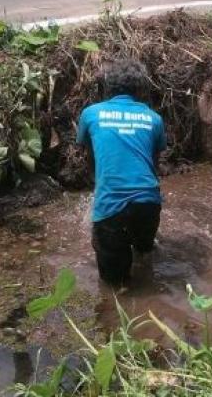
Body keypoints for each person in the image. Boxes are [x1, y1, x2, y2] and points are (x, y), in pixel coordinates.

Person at [77, 59, 166, 285]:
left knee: (114, 284)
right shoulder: (154, 119)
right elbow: (153, 165)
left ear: (107, 87)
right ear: (140, 89)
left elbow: (91, 156)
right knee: (145, 256)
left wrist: (100, 186)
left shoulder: (90, 114)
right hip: (149, 203)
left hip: (110, 207)